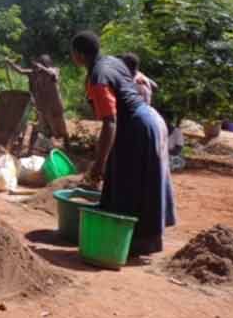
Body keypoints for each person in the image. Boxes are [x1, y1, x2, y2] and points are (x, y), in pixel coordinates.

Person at [72, 31, 176, 257]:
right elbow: (141, 80)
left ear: (79, 55)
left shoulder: (99, 77)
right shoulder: (112, 61)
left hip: (137, 127)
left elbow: (110, 122)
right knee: (136, 181)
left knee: (129, 182)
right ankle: (137, 240)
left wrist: (99, 165)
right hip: (151, 120)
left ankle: (132, 242)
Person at [8, 55, 68, 151]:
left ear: (47, 64)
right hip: (42, 107)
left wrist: (42, 68)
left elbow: (53, 76)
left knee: (61, 129)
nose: (37, 67)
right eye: (38, 64)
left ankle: (68, 148)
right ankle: (33, 151)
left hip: (54, 106)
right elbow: (20, 71)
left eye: (41, 63)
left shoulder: (54, 70)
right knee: (41, 129)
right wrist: (11, 64)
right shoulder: (34, 73)